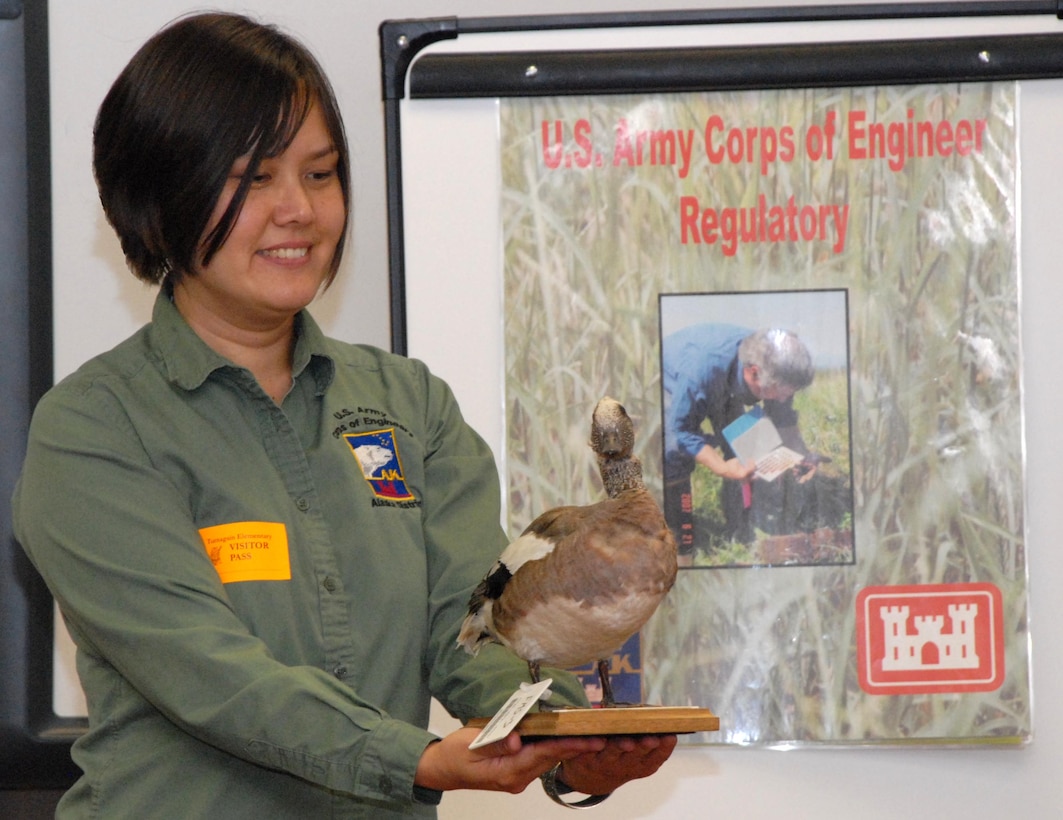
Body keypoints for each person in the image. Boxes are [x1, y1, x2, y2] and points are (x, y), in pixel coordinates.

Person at [12, 12, 674, 818]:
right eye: (254, 178)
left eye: (320, 174)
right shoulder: (93, 430)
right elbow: (212, 677)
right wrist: (421, 760)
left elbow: (472, 635)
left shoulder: (409, 407)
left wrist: (570, 746)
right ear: (158, 192)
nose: (298, 210)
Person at [661, 324, 817, 561]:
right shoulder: (700, 370)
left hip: (725, 379)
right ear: (754, 373)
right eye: (781, 392)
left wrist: (800, 453)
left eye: (789, 393)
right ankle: (681, 544)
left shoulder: (777, 367)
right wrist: (722, 467)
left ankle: (745, 523)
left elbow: (783, 416)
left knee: (753, 449)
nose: (785, 398)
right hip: (671, 378)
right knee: (674, 454)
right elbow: (680, 430)